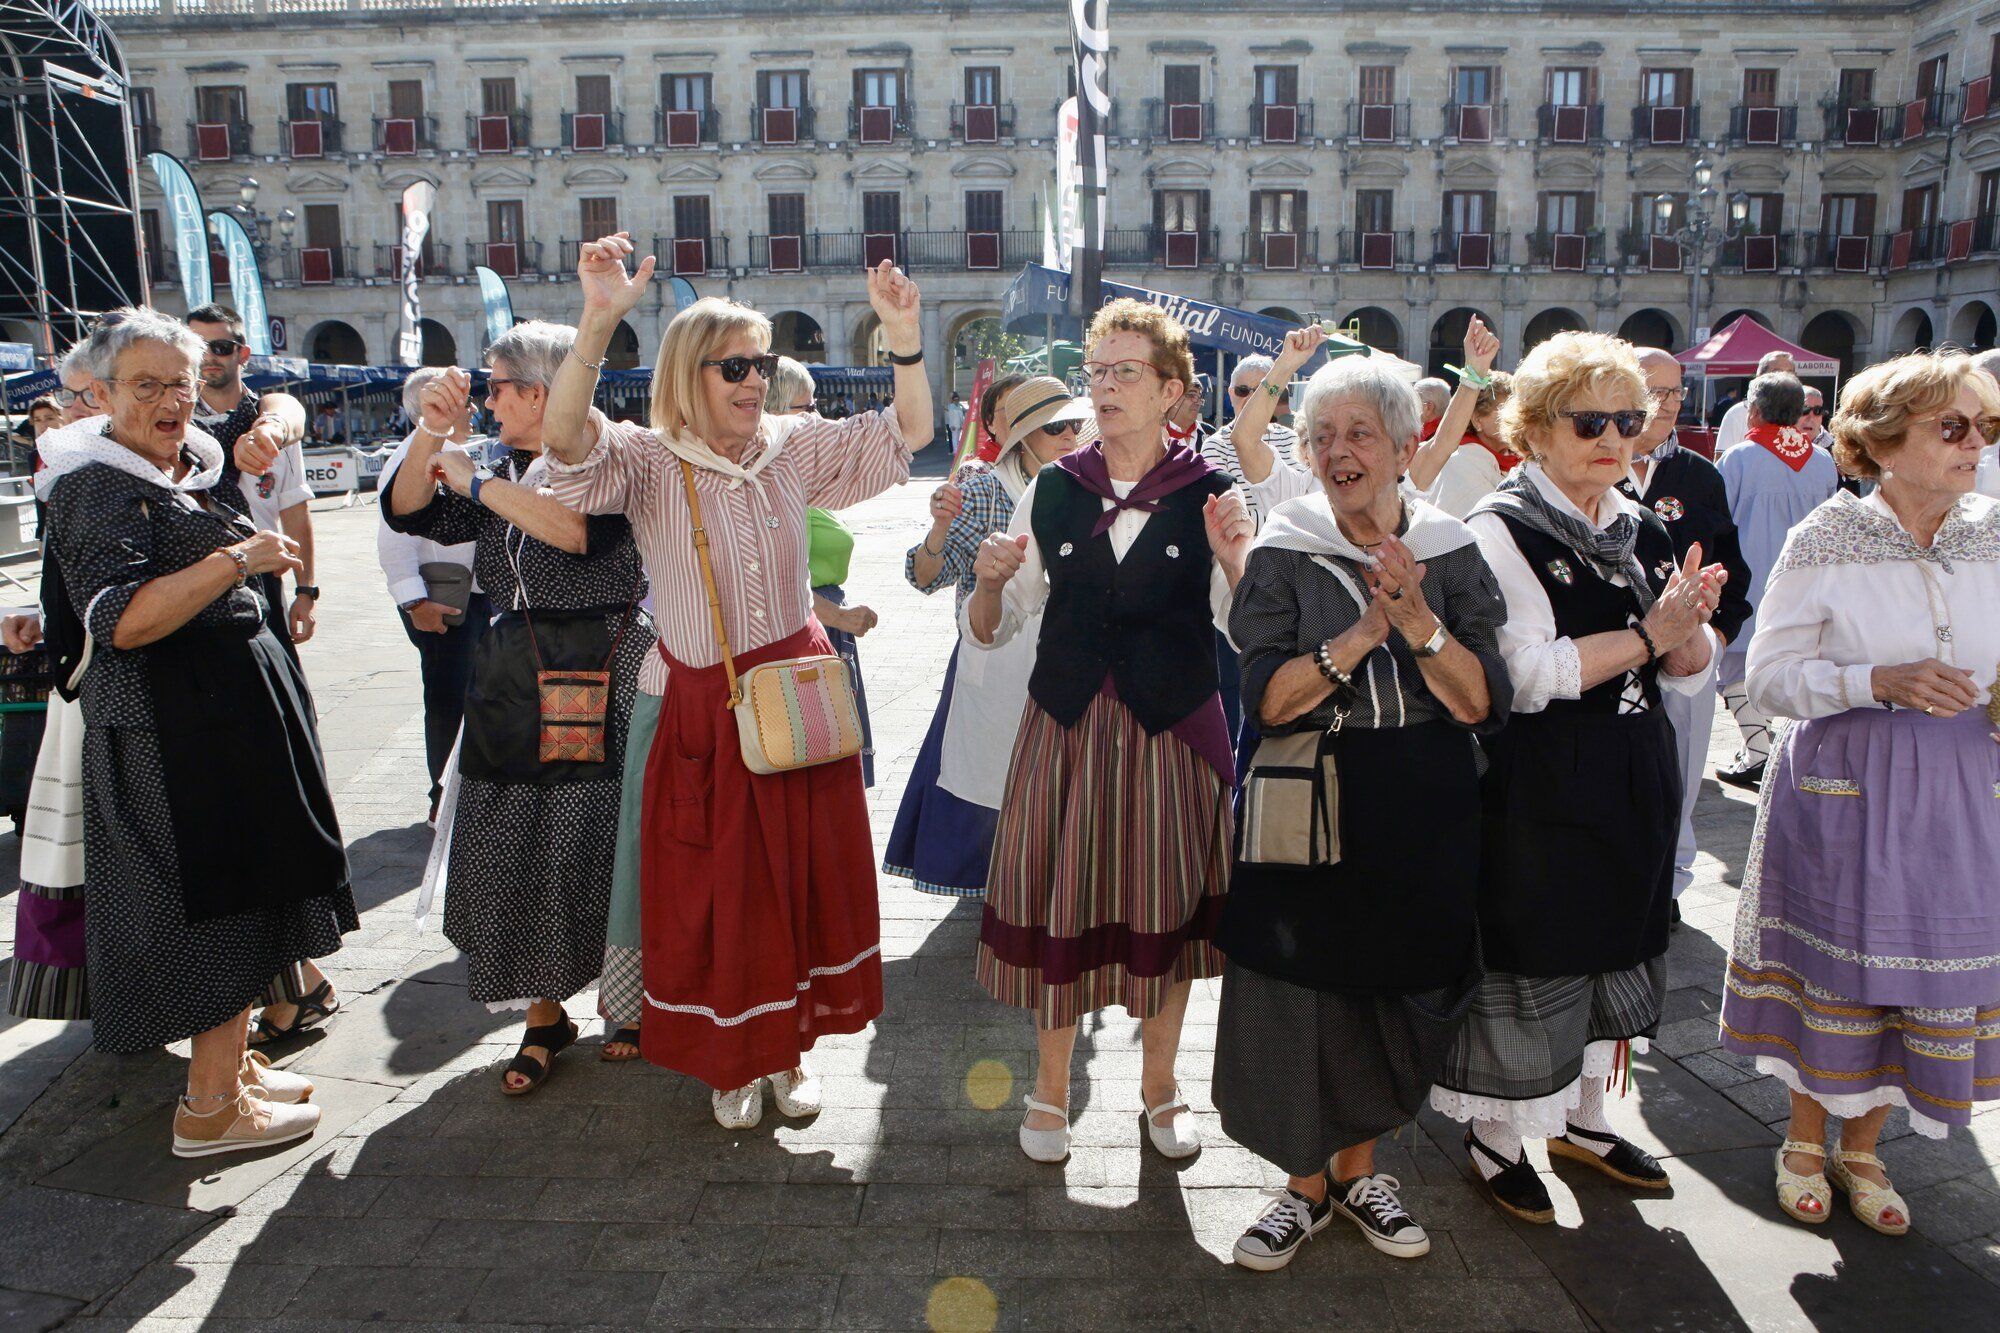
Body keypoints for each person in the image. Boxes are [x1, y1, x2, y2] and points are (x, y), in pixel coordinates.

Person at [541, 233, 927, 1129]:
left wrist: (902, 335)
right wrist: (597, 322)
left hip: (796, 698)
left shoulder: (790, 447)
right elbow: (563, 442)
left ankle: (787, 1055)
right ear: (687, 375)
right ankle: (731, 1056)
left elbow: (909, 430)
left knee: (796, 884)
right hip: (706, 706)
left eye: (763, 363)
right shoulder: (645, 459)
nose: (755, 380)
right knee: (717, 894)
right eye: (734, 367)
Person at [38, 308, 353, 1156]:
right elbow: (122, 622)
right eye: (148, 386)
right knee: (216, 906)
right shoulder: (95, 483)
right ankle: (211, 1106)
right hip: (171, 736)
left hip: (219, 721)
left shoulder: (175, 455)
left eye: (180, 381)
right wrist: (235, 561)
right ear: (99, 393)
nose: (174, 400)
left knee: (254, 890)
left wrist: (266, 434)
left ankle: (234, 1069)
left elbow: (275, 407)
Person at [1217, 355, 1508, 1270]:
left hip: (1420, 792)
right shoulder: (1284, 548)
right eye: (1324, 436)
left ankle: (1361, 1174)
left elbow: (1479, 701)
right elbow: (1265, 701)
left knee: (1400, 979)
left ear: (1403, 444)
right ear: (1305, 452)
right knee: (1300, 986)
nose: (1342, 452)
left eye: (1361, 434)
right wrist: (1359, 637)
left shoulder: (1453, 548)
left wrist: (1420, 621)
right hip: (1307, 788)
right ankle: (1302, 1184)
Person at [1430, 331, 1726, 1223]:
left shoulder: (1640, 521)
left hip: (1633, 770)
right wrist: (1648, 636)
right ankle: (1497, 1132)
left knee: (1619, 945)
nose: (1613, 435)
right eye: (1589, 418)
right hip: (1542, 779)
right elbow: (1521, 673)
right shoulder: (1500, 527)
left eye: (1628, 418)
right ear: (1537, 426)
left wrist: (1692, 633)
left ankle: (1585, 1117)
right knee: (1535, 953)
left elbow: (1690, 664)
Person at [966, 298, 1255, 1164]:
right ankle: (1049, 1091)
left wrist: (1239, 563)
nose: (1105, 387)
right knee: (1064, 906)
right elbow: (996, 627)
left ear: (1173, 390)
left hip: (1173, 729)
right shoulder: (1053, 490)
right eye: (1098, 372)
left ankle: (1162, 1090)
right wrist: (985, 584)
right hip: (1067, 727)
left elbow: (1250, 633)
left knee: (1164, 915)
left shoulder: (1212, 493)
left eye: (1126, 372)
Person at [1721, 350, 2000, 1238]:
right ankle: (1807, 1143)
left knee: (1924, 968)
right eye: (1952, 427)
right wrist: (1876, 678)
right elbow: (1767, 678)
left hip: (1964, 784)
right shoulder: (1827, 537)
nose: (1975, 445)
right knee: (1843, 967)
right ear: (1883, 442)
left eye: (1986, 427)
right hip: (1849, 785)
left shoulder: (1994, 529)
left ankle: (1866, 1146)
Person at [383, 324, 655, 1096]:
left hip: (603, 661)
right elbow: (408, 510)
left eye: (496, 385)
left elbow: (576, 536)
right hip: (514, 670)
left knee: (605, 834)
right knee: (516, 835)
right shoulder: (497, 469)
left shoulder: (607, 463)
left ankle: (626, 1001)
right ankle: (543, 1015)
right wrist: (432, 431)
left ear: (540, 393)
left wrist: (475, 483)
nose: (488, 398)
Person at [886, 375, 1088, 899]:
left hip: (1065, 660)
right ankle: (1003, 891)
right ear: (1023, 438)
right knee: (988, 785)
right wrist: (937, 529)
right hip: (992, 653)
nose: (1069, 435)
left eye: (1074, 424)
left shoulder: (1092, 485)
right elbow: (925, 577)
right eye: (1053, 428)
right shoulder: (981, 486)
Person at [1617, 349, 1753, 915]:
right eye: (1657, 393)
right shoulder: (1591, 465)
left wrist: (1716, 639)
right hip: (1615, 653)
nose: (1670, 406)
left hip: (1689, 657)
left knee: (1683, 771)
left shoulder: (1699, 475)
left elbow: (1734, 567)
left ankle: (1669, 884)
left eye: (1677, 393)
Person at [1715, 372, 1840, 789]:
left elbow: (1720, 523)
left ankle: (1758, 750)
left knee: (1736, 668)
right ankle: (1776, 748)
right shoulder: (1822, 461)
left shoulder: (1738, 459)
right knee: (1793, 666)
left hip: (1750, 580)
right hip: (1807, 585)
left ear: (1754, 409)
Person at [377, 367, 489, 824]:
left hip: (471, 596)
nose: (475, 405)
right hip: (441, 601)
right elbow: (393, 538)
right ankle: (441, 799)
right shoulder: (410, 456)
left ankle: (459, 794)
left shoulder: (461, 451)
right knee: (447, 700)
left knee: (468, 697)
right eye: (459, 397)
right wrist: (415, 603)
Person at [766, 356, 879, 786]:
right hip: (805, 632)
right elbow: (778, 577)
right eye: (806, 408)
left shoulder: (799, 472)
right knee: (810, 760)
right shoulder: (773, 481)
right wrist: (839, 618)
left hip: (824, 628)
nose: (819, 417)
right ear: (774, 411)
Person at [185, 304, 318, 653]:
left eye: (221, 347)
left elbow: (294, 510)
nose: (210, 357)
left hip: (263, 571)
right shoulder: (175, 426)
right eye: (199, 347)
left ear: (242, 353)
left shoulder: (273, 422)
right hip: (198, 574)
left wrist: (305, 590)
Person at [1408, 315, 1506, 499]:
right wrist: (1473, 375)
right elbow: (1442, 446)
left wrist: (1475, 371)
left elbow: (1442, 445)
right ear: (1477, 420)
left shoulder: (1521, 462)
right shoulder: (1464, 459)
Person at [1715, 351, 1795, 452]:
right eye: (1777, 372)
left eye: (1790, 373)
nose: (1784, 378)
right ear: (1760, 377)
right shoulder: (1737, 413)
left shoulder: (1805, 412)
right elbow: (1721, 461)